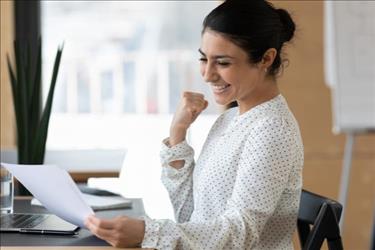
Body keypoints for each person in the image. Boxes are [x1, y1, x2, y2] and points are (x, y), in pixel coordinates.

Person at [85, 0, 304, 249]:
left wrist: (148, 233)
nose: (207, 74)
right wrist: (178, 134)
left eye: (222, 62)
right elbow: (191, 215)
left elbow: (240, 233)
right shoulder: (231, 119)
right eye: (204, 59)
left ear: (266, 58)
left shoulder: (272, 129)